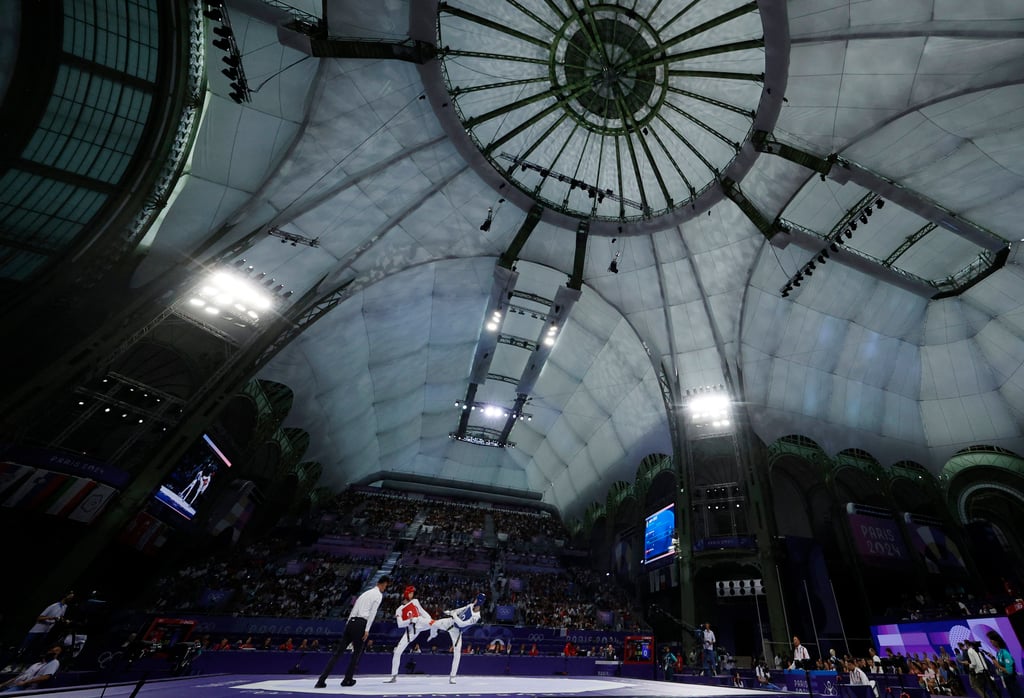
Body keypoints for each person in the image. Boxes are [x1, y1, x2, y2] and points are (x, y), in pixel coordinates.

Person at [315, 575, 390, 689]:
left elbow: (354, 609)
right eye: (386, 585)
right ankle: (347, 679)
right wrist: (367, 630)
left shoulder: (364, 593)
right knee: (356, 654)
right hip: (361, 624)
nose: (386, 588)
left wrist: (348, 625)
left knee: (338, 653)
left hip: (351, 622)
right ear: (384, 583)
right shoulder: (378, 595)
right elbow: (372, 613)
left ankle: (321, 680)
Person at [427, 593, 485, 684]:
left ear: (479, 602)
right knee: (433, 623)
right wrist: (450, 612)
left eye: (476, 599)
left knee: (457, 653)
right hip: (450, 622)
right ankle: (433, 634)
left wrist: (454, 615)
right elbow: (459, 610)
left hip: (457, 632)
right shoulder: (470, 605)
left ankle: (452, 676)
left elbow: (462, 624)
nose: (474, 600)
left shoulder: (476, 617)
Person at [384, 585, 433, 683]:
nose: (412, 595)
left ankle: (446, 624)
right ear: (406, 594)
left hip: (420, 624)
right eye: (410, 593)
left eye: (412, 593)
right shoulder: (399, 609)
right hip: (410, 632)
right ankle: (394, 676)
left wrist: (430, 620)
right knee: (397, 652)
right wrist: (411, 620)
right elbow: (400, 624)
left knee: (431, 622)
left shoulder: (415, 602)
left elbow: (423, 612)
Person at [19, 592, 74, 661]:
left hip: (46, 631)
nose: (71, 598)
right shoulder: (53, 606)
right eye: (70, 596)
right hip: (36, 630)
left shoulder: (65, 607)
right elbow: (39, 618)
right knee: (24, 648)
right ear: (65, 596)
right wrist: (52, 618)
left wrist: (65, 620)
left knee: (34, 649)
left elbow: (60, 617)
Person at [989, 630, 1022, 698]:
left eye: (991, 641)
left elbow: (1009, 671)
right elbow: (1001, 664)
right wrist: (993, 659)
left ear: (996, 641)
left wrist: (998, 665)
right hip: (1006, 679)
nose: (991, 643)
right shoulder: (999, 652)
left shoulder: (1005, 653)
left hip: (1012, 681)